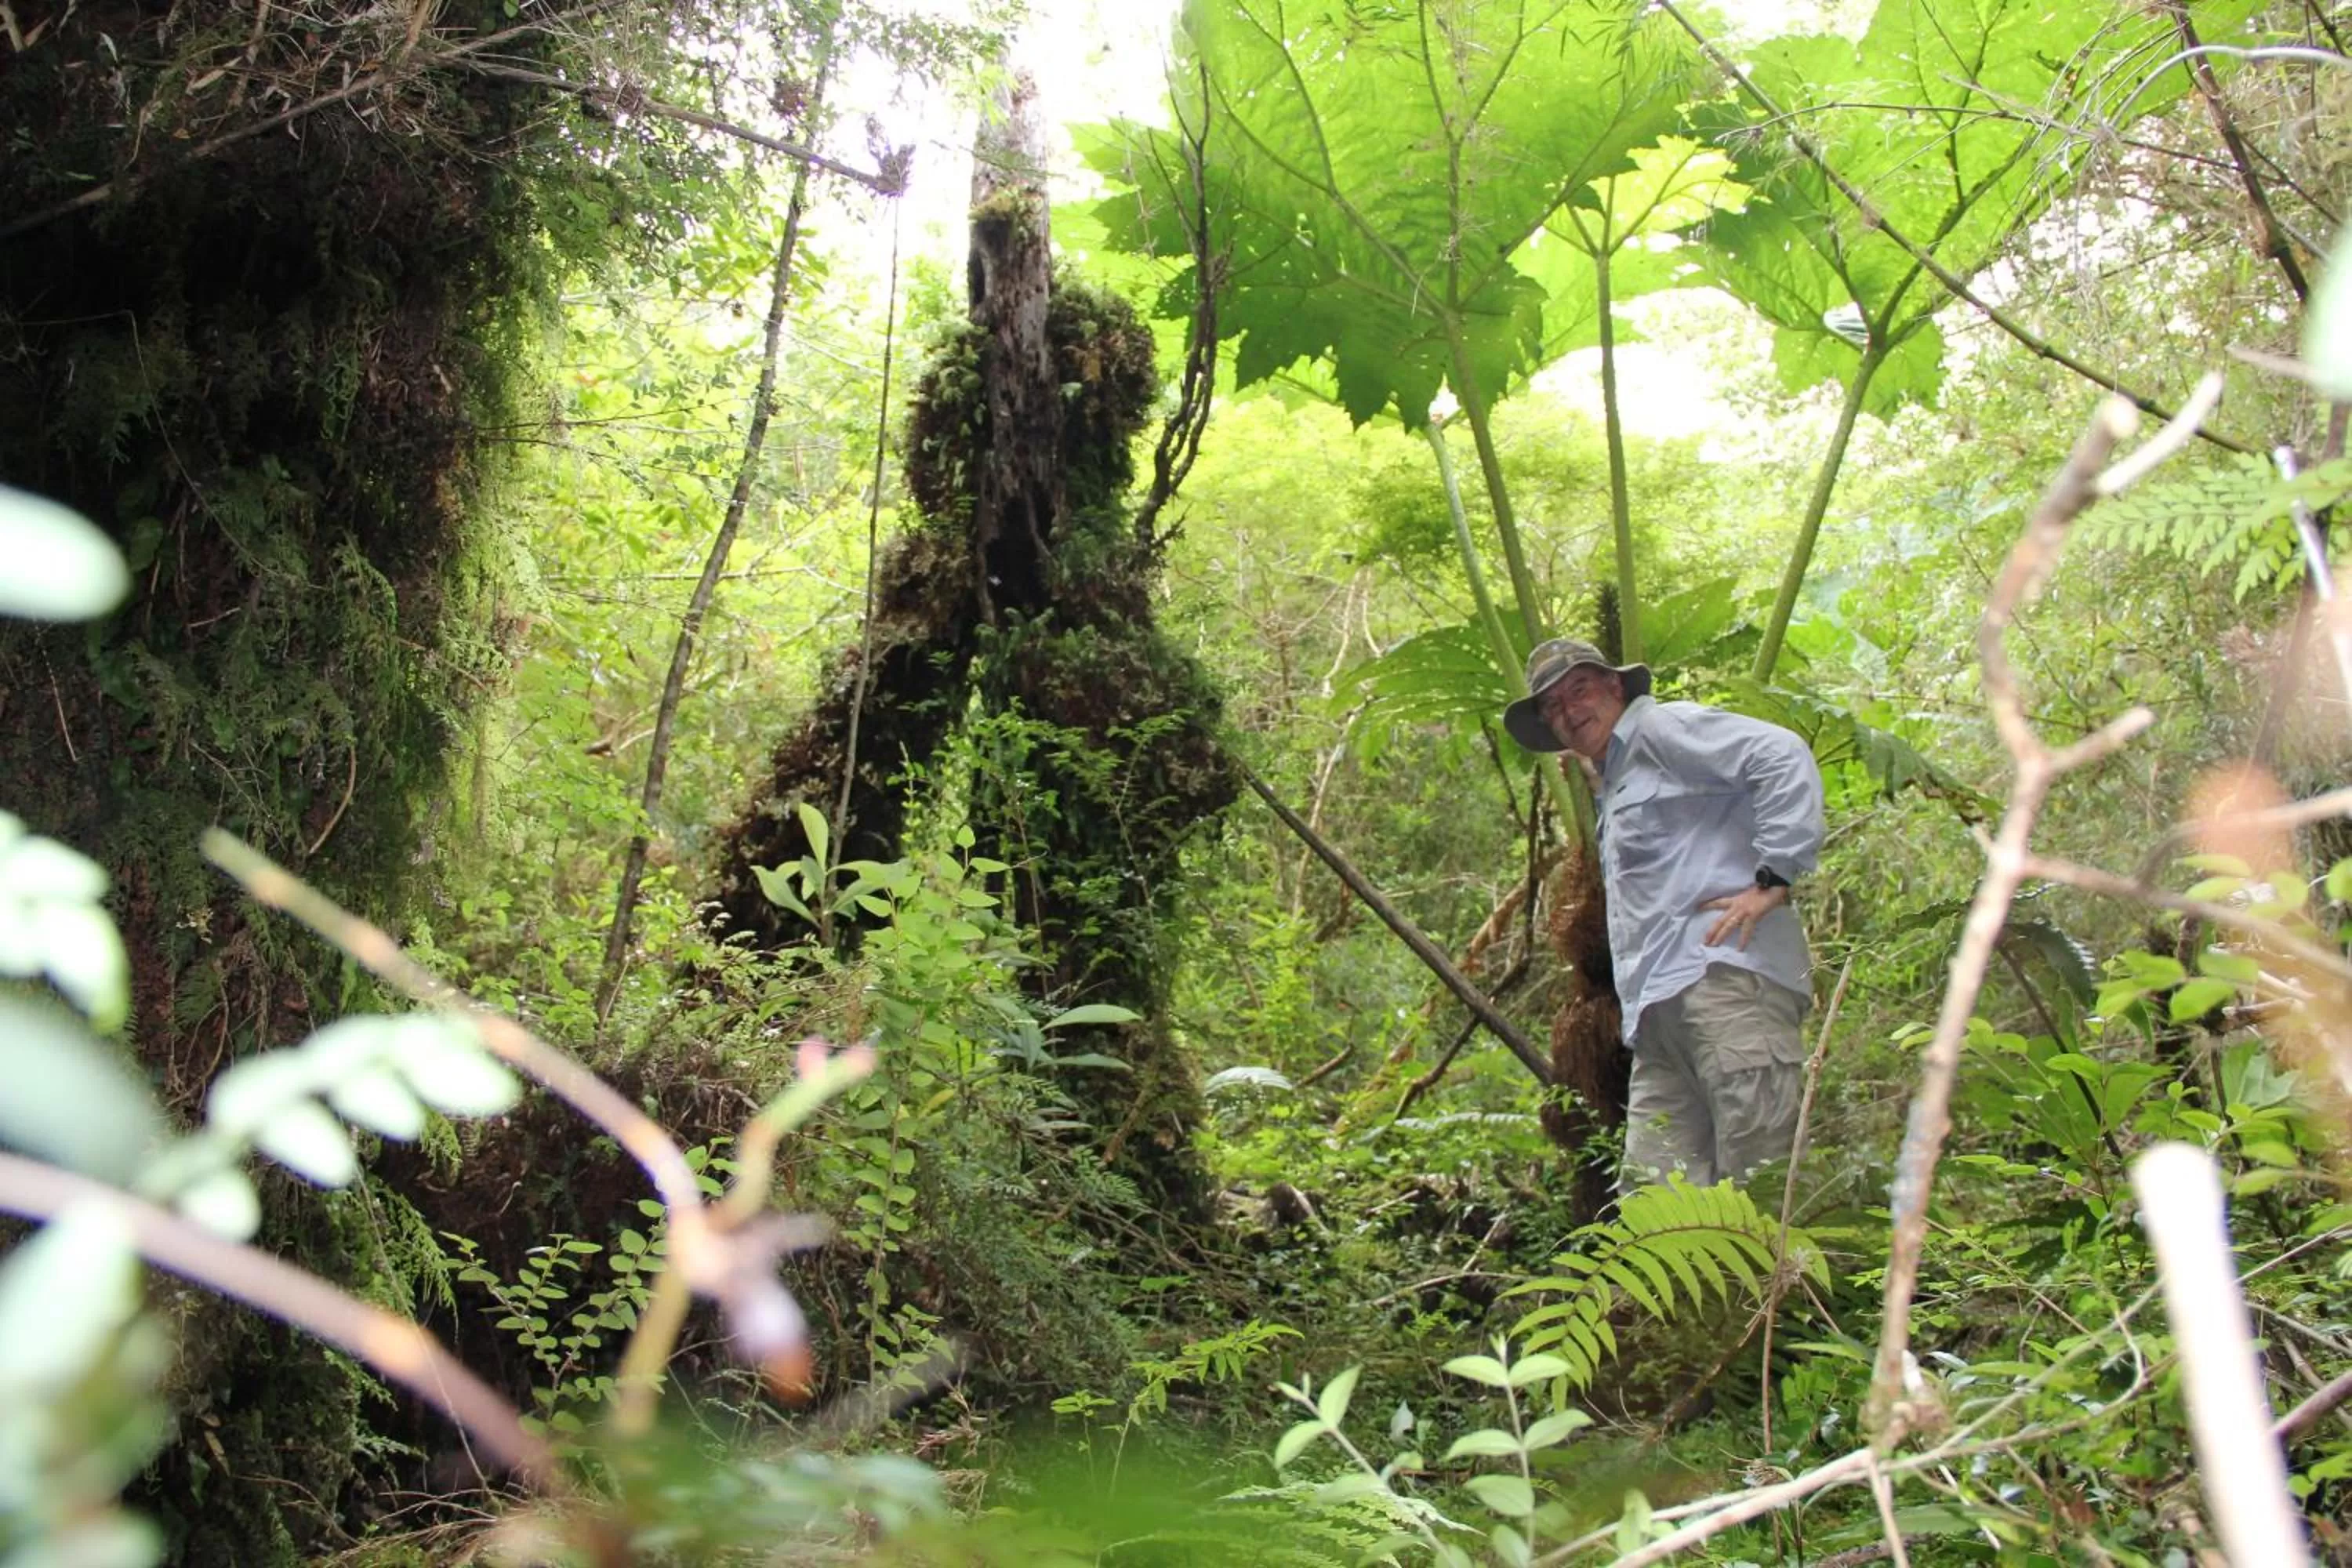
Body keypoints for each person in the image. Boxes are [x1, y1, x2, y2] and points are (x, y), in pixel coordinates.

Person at [1504, 637, 1824, 1189]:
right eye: (1553, 706)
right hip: (1658, 1014)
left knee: (1761, 1182)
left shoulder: (1658, 729)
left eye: (1579, 690)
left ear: (1615, 686)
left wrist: (1774, 877)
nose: (1569, 711)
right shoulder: (1618, 774)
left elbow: (1782, 754)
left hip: (1723, 983)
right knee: (1657, 1202)